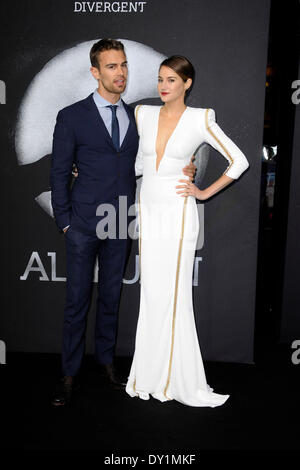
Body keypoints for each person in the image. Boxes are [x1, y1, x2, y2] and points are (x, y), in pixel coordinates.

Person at [50, 40, 196, 406]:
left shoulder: (138, 116)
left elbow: (156, 155)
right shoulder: (72, 116)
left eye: (124, 65)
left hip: (120, 221)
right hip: (82, 223)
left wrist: (186, 167)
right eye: (112, 67)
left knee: (111, 298)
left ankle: (106, 364)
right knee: (77, 302)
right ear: (95, 72)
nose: (121, 73)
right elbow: (57, 174)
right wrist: (66, 222)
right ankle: (68, 374)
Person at [125, 55, 250, 407]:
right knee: (151, 294)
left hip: (179, 214)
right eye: (160, 79)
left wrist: (204, 192)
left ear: (187, 84)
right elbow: (137, 164)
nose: (163, 86)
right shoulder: (143, 114)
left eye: (171, 80)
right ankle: (148, 375)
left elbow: (239, 160)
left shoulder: (201, 118)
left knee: (175, 294)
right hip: (149, 212)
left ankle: (175, 379)